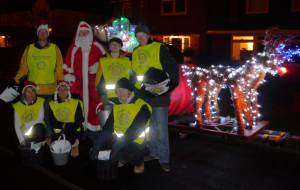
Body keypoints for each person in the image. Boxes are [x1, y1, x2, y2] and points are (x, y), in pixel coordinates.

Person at [132, 23, 179, 172]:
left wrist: (169, 86)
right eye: (137, 36)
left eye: (142, 35)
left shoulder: (159, 48)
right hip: (144, 95)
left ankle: (164, 159)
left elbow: (172, 67)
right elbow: (133, 74)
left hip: (159, 94)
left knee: (161, 128)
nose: (140, 38)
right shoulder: (135, 51)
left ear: (148, 35)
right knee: (150, 127)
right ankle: (153, 153)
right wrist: (136, 92)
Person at [91, 78, 151, 174]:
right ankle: (121, 156)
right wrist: (97, 145)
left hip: (137, 141)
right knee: (101, 143)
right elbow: (108, 127)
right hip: (120, 139)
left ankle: (139, 162)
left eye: (123, 90)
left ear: (130, 90)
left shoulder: (142, 106)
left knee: (126, 152)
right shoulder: (117, 106)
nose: (120, 93)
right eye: (118, 90)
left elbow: (134, 131)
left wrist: (118, 146)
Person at [63, 21, 106, 135]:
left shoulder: (97, 47)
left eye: (85, 32)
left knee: (94, 106)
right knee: (79, 107)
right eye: (81, 33)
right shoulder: (74, 49)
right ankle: (81, 131)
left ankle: (94, 130)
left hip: (93, 86)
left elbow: (107, 61)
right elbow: (67, 66)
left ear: (90, 33)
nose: (83, 35)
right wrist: (69, 76)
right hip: (78, 85)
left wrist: (98, 66)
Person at [14, 22, 63, 97]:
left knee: (47, 109)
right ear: (37, 34)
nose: (43, 33)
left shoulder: (55, 48)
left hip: (50, 90)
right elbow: (24, 67)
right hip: (32, 89)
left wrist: (61, 82)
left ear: (48, 34)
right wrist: (16, 80)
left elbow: (59, 68)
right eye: (40, 31)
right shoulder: (29, 48)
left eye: (45, 32)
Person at [95, 37, 133, 124]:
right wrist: (100, 91)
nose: (114, 46)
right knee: (108, 119)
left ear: (120, 46)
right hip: (106, 94)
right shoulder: (103, 60)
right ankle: (108, 136)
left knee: (121, 117)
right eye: (112, 44)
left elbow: (130, 76)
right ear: (109, 47)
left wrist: (130, 91)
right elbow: (99, 76)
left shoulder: (127, 60)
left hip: (123, 94)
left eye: (117, 44)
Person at [45, 81, 84, 157]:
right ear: (57, 91)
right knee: (54, 149)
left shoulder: (76, 102)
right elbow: (51, 119)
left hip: (73, 128)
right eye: (60, 89)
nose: (62, 92)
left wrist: (67, 125)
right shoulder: (52, 104)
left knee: (70, 144)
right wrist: (62, 126)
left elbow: (80, 119)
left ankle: (75, 145)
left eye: (65, 89)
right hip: (59, 128)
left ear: (68, 91)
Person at [12, 81, 47, 146]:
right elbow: (17, 125)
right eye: (28, 91)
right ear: (24, 93)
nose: (31, 94)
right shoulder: (17, 106)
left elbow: (40, 118)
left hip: (38, 130)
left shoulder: (40, 101)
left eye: (33, 91)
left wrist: (27, 125)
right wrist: (21, 141)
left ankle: (39, 147)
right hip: (24, 132)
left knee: (39, 126)